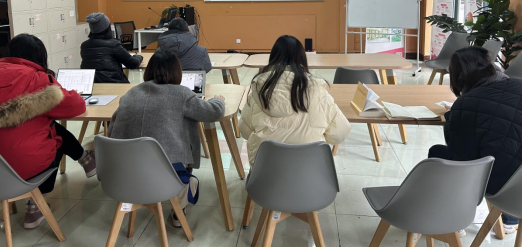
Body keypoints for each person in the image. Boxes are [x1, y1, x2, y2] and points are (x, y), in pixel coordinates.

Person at [0, 34, 96, 229]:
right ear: (39, 56)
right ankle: (36, 205)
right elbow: (76, 106)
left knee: (48, 128)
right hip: (21, 169)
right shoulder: (38, 80)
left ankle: (86, 160)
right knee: (55, 138)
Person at [108, 50, 225, 228]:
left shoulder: (131, 93)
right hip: (164, 177)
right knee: (183, 162)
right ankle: (179, 212)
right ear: (177, 72)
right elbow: (213, 112)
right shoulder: (181, 94)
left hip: (124, 175)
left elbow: (112, 129)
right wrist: (218, 100)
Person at [429, 46, 521, 234]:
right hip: (518, 187)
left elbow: (461, 155)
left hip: (500, 186)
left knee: (438, 153)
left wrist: (453, 117)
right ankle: (510, 220)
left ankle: (454, 220)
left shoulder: (466, 103)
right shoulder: (519, 85)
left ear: (457, 75)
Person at [239, 35, 352, 167]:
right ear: (302, 58)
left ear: (273, 57)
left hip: (265, 174)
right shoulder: (318, 91)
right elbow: (339, 133)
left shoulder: (259, 91)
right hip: (311, 173)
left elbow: (244, 131)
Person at [80, 13, 143, 83]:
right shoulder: (113, 44)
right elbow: (133, 64)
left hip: (92, 84)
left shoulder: (84, 46)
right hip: (113, 82)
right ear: (107, 28)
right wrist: (138, 57)